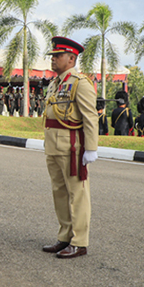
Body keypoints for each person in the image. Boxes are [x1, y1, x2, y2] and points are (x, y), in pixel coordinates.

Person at [42, 36, 98, 259]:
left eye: (58, 56)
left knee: (78, 195)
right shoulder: (56, 83)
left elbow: (90, 117)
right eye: (53, 56)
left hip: (72, 147)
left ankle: (80, 242)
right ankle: (64, 237)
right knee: (59, 193)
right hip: (54, 145)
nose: (53, 59)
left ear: (71, 58)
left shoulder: (79, 82)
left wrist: (90, 148)